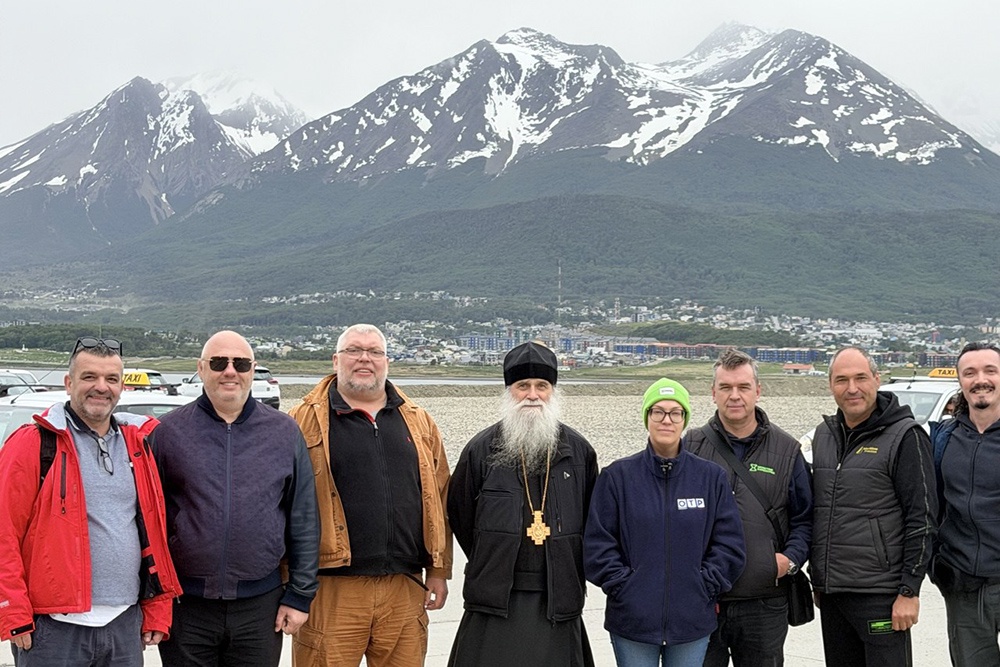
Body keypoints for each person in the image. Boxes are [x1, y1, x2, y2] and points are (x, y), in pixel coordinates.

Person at [0, 336, 181, 665]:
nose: (101, 387)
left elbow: (152, 532)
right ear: (69, 383)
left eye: (111, 378)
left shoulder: (137, 446)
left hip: (125, 625)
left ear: (122, 387)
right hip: (53, 629)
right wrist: (12, 611)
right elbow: (4, 531)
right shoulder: (34, 442)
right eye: (89, 377)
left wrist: (157, 606)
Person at [152, 330, 319, 666]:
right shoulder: (167, 432)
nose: (230, 371)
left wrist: (300, 595)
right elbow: (149, 518)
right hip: (186, 606)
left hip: (261, 605)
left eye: (240, 364)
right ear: (201, 369)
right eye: (218, 363)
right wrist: (153, 597)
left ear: (252, 370)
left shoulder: (284, 432)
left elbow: (303, 517)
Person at [289, 323, 451, 667]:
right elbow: (281, 503)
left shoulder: (419, 421)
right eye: (354, 350)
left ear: (387, 362)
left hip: (404, 587)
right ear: (336, 360)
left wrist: (438, 569)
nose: (365, 358)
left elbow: (440, 498)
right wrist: (288, 583)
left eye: (375, 352)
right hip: (329, 590)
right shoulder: (300, 421)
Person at [448, 341, 598, 667]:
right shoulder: (480, 450)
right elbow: (460, 516)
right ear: (509, 391)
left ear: (553, 391)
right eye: (523, 386)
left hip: (557, 597)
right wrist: (493, 554)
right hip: (496, 598)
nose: (532, 395)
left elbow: (591, 519)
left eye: (542, 386)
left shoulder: (579, 452)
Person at [585, 377, 746, 667]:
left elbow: (730, 544)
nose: (666, 420)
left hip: (691, 621)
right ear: (646, 417)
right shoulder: (617, 477)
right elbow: (598, 544)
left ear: (685, 419)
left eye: (675, 412)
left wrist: (704, 585)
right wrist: (624, 586)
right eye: (658, 411)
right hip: (632, 622)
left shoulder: (711, 478)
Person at [810, 346, 937, 667]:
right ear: (831, 385)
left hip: (881, 596)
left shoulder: (906, 437)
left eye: (860, 378)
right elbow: (820, 510)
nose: (852, 388)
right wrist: (819, 576)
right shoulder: (824, 435)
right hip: (833, 595)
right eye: (841, 380)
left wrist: (909, 591)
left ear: (877, 379)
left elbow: (922, 518)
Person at [686, 348, 813, 667]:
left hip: (765, 603)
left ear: (758, 390)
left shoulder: (787, 451)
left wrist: (789, 561)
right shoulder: (690, 446)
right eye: (726, 387)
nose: (735, 395)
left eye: (743, 387)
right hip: (701, 599)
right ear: (713, 393)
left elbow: (805, 519)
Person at [930, 342, 1000, 666]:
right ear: (959, 380)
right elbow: (930, 507)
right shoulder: (943, 439)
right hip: (963, 588)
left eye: (990, 371)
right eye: (970, 372)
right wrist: (936, 565)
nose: (980, 379)